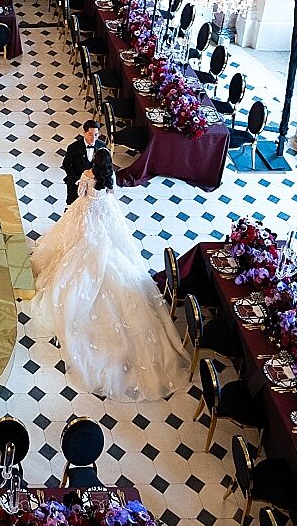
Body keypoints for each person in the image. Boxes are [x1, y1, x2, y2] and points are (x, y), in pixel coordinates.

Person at [29, 147, 186, 401]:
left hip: (87, 220)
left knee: (74, 261)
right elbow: (110, 197)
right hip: (105, 220)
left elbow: (80, 196)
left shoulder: (88, 175)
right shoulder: (108, 177)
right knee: (118, 260)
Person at [61, 119, 102, 206]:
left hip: (93, 186)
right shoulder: (74, 147)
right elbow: (66, 164)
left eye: (96, 135)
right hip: (76, 183)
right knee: (72, 205)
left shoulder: (101, 147)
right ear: (84, 133)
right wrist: (77, 180)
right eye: (90, 134)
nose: (93, 138)